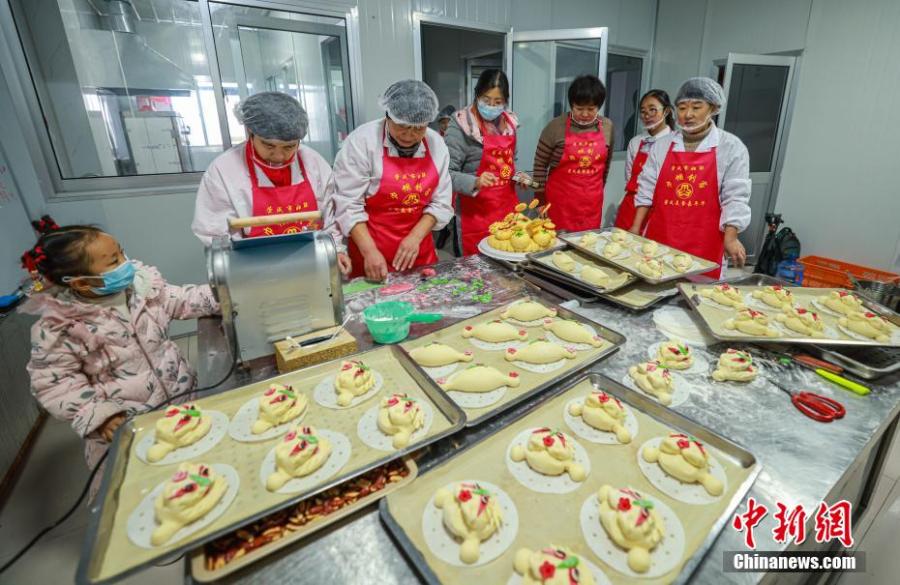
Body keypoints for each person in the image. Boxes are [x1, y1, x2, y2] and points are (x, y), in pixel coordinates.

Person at [20, 218, 219, 473]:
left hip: (183, 400)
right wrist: (100, 415)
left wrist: (224, 294)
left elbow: (184, 300)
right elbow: (53, 384)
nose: (126, 264)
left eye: (122, 253)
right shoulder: (61, 327)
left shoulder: (142, 288)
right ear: (81, 282)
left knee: (200, 467)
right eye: (115, 261)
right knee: (154, 478)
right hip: (132, 426)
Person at [191, 91, 350, 274]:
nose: (279, 156)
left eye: (289, 146)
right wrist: (240, 271)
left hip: (312, 267)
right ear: (250, 132)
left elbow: (329, 218)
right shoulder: (224, 171)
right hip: (253, 271)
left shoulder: (314, 164)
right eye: (269, 146)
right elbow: (215, 233)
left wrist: (337, 250)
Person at [330, 80, 453, 281]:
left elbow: (441, 202)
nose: (409, 135)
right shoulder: (362, 142)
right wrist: (369, 251)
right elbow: (348, 204)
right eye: (402, 126)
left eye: (418, 128)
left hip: (418, 249)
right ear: (388, 115)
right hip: (370, 251)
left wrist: (415, 237)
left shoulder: (436, 144)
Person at [631, 77, 751, 277]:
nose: (688, 114)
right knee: (656, 283)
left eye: (696, 107)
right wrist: (635, 228)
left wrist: (731, 237)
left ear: (713, 108)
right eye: (682, 108)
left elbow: (736, 196)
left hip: (705, 241)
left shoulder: (731, 147)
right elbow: (646, 188)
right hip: (661, 237)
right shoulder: (662, 145)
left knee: (700, 290)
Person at [445, 69, 521, 256]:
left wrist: (518, 176)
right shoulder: (461, 124)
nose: (492, 106)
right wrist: (475, 181)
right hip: (475, 213)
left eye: (498, 102)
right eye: (486, 100)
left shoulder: (509, 124)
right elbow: (446, 174)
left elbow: (510, 163)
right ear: (477, 95)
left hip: (506, 210)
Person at [534, 74, 614, 231]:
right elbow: (540, 165)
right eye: (579, 108)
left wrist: (596, 191)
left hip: (591, 205)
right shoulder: (555, 127)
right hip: (559, 203)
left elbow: (606, 165)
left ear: (599, 106)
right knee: (556, 242)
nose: (584, 114)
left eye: (591, 109)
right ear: (571, 104)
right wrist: (540, 199)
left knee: (587, 242)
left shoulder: (607, 127)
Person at [614, 89, 675, 231]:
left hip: (659, 208)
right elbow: (629, 176)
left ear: (666, 111)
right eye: (643, 111)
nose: (647, 115)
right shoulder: (636, 142)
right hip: (632, 205)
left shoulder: (675, 143)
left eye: (653, 110)